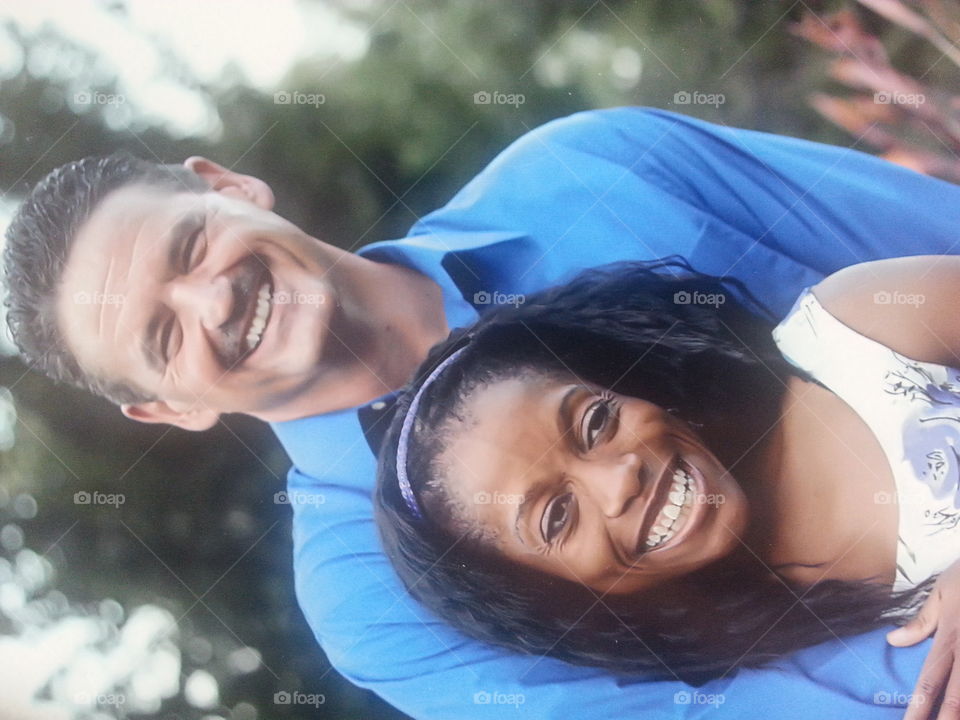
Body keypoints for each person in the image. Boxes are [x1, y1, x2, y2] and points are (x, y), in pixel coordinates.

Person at [6, 107, 960, 718]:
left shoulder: (589, 172)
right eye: (163, 338)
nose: (211, 303)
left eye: (189, 248)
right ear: (166, 407)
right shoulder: (364, 604)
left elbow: (935, 243)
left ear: (228, 188)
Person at [375, 255, 960, 691]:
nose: (619, 478)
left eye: (595, 423)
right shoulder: (778, 679)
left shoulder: (859, 329)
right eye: (556, 516)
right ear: (551, 595)